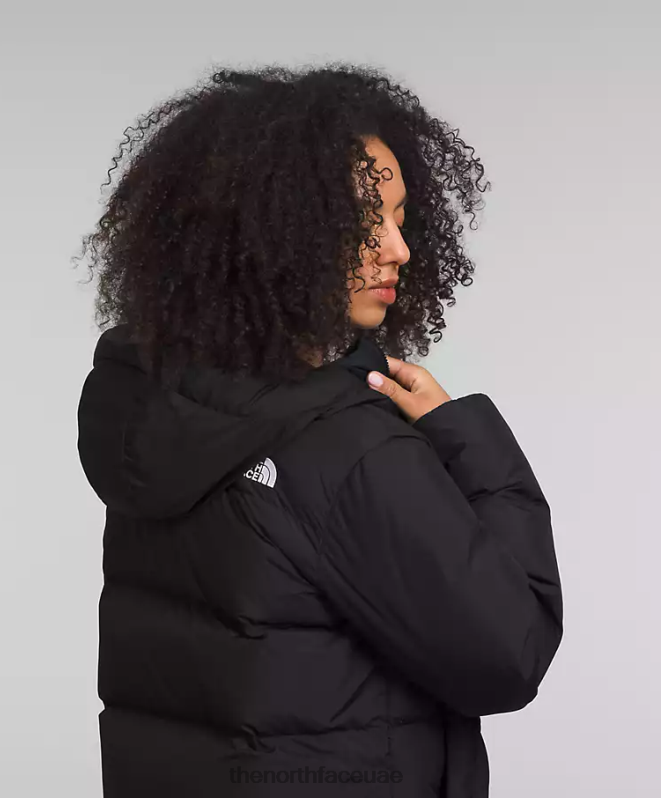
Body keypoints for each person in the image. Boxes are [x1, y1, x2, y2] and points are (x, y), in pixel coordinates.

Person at [76, 63, 563, 798]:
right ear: (272, 232)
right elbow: (508, 655)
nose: (397, 248)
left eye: (399, 217)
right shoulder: (346, 448)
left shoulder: (157, 406)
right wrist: (467, 440)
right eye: (364, 221)